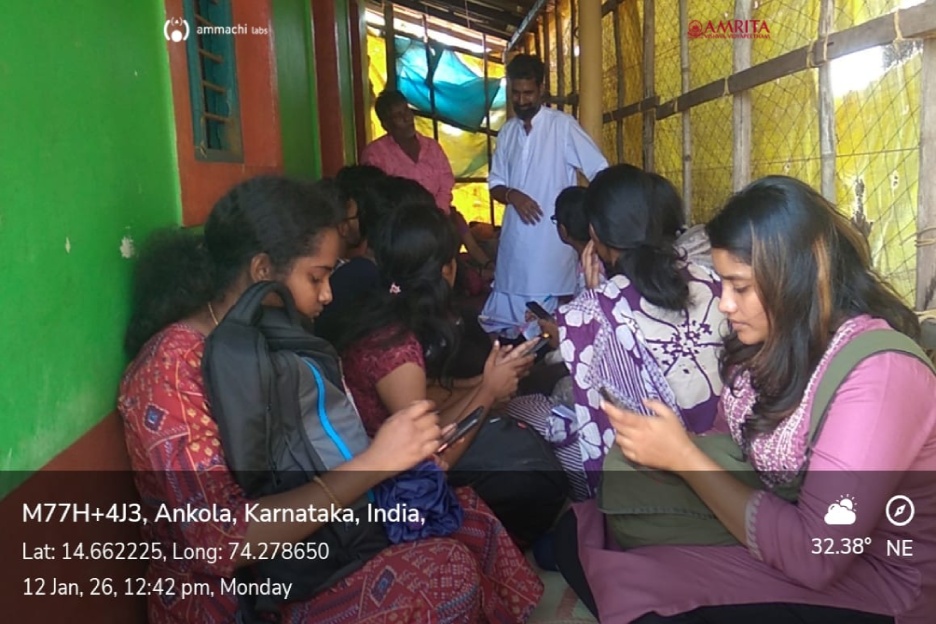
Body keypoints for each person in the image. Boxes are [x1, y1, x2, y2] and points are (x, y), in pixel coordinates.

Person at [118, 175, 543, 624]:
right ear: (262, 270)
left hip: (311, 544)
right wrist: (374, 464)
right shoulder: (172, 369)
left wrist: (397, 461)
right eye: (316, 277)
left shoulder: (276, 336)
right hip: (242, 594)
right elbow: (220, 540)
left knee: (466, 515)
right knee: (446, 576)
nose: (328, 294)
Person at [553, 175, 936, 623]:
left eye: (741, 287)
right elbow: (727, 437)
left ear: (800, 275)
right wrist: (674, 454)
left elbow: (818, 555)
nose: (724, 304)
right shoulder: (774, 342)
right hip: (786, 516)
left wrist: (684, 459)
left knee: (643, 599)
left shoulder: (880, 375)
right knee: (578, 534)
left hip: (876, 578)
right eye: (723, 284)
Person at [336, 201, 536, 439]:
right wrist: (489, 392)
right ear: (447, 269)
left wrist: (485, 382)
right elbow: (430, 449)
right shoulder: (396, 348)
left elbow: (428, 401)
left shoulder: (386, 317)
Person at [480, 54, 608, 336]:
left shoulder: (562, 126)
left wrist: (583, 219)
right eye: (516, 93)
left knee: (550, 328)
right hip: (515, 246)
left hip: (552, 244)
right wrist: (513, 195)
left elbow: (599, 170)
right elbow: (495, 184)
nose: (521, 100)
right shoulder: (507, 133)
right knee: (507, 330)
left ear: (541, 90)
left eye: (528, 93)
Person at [362, 89, 493, 270]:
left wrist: (437, 211)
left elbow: (446, 182)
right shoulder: (375, 155)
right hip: (401, 227)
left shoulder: (432, 147)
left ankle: (484, 266)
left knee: (456, 223)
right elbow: (378, 198)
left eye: (407, 111)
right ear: (386, 125)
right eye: (398, 116)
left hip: (437, 216)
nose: (407, 118)